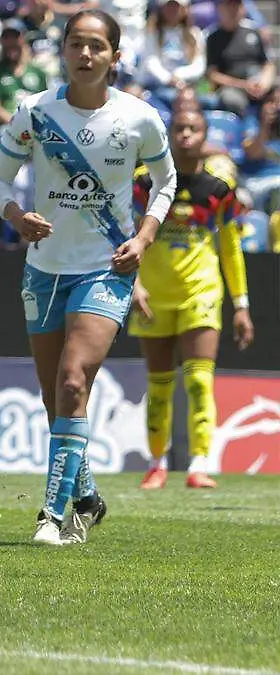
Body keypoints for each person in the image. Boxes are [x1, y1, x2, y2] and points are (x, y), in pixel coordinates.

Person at [0, 9, 177, 546]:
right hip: (43, 270)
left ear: (116, 56)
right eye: (76, 43)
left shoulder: (140, 118)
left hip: (104, 269)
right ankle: (88, 497)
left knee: (74, 381)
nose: (86, 54)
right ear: (64, 51)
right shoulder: (35, 111)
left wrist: (142, 239)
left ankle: (51, 516)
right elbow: (1, 180)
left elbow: (166, 182)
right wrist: (15, 217)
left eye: (97, 45)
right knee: (56, 397)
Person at [130, 110, 253, 490]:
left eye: (193, 129)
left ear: (205, 137)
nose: (185, 135)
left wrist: (242, 304)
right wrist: (133, 284)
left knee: (200, 381)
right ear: (168, 136)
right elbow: (125, 232)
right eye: (179, 129)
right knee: (160, 384)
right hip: (153, 294)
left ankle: (200, 463)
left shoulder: (219, 190)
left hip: (201, 291)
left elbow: (231, 248)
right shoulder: (145, 183)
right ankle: (157, 463)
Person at [204, 0, 274, 119]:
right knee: (232, 101)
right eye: (229, 5)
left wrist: (264, 83)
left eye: (237, 5)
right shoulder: (213, 37)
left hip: (258, 84)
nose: (234, 9)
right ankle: (245, 133)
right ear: (220, 9)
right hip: (232, 88)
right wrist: (243, 85)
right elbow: (212, 74)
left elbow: (268, 64)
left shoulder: (254, 31)